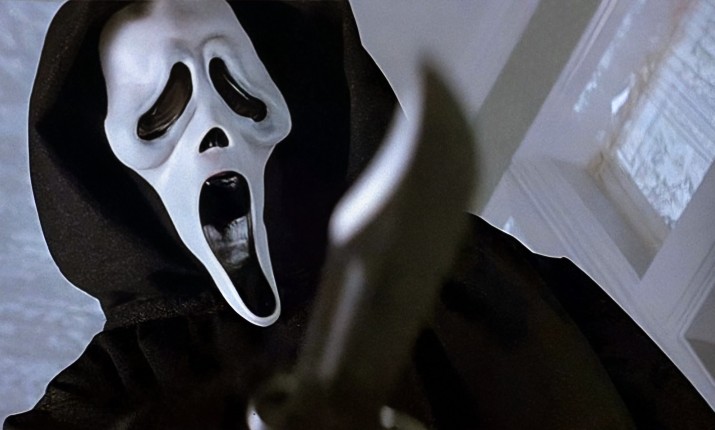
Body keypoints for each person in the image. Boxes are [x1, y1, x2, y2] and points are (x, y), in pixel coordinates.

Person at [6, 1, 713, 428]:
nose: (214, 129)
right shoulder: (115, 390)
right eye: (161, 112)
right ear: (113, 167)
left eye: (237, 86)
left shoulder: (475, 278)